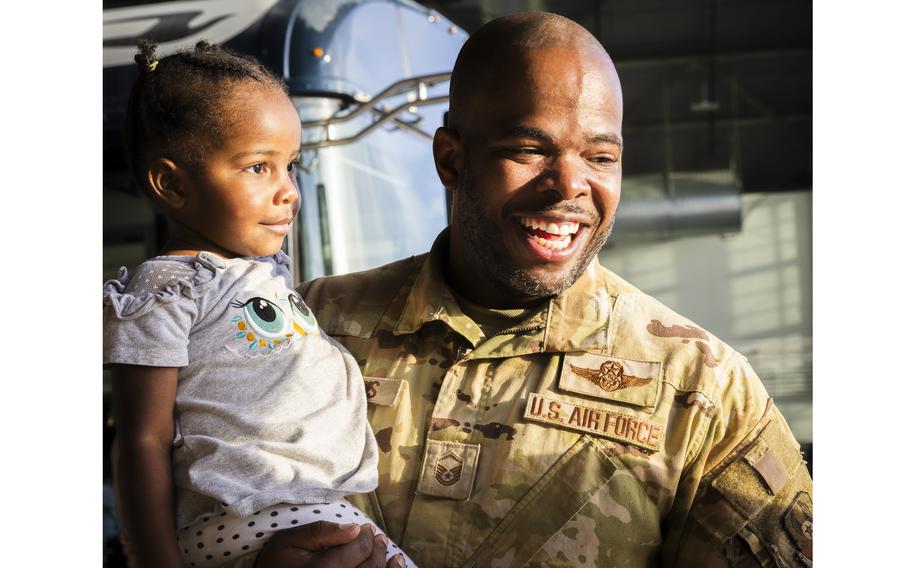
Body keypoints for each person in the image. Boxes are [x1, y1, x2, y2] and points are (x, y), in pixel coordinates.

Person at [247, 10, 814, 568]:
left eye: (601, 157)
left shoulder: (702, 387)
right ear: (451, 159)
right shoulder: (304, 326)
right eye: (529, 151)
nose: (570, 184)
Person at [103, 41, 414, 568]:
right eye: (257, 168)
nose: (289, 190)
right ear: (171, 184)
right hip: (254, 516)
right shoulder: (166, 287)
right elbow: (142, 439)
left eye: (291, 165)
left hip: (308, 507)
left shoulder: (263, 273)